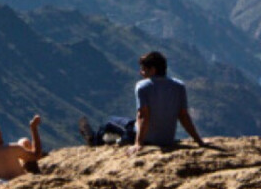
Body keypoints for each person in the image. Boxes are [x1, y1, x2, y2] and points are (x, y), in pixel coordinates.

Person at [79, 51, 207, 153]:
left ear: (153, 70)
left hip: (147, 138)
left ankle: (94, 141)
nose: (141, 72)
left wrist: (138, 143)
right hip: (167, 138)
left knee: (109, 122)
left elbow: (143, 116)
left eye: (143, 69)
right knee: (127, 122)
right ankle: (116, 139)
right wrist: (198, 141)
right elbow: (184, 116)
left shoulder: (143, 86)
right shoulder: (179, 86)